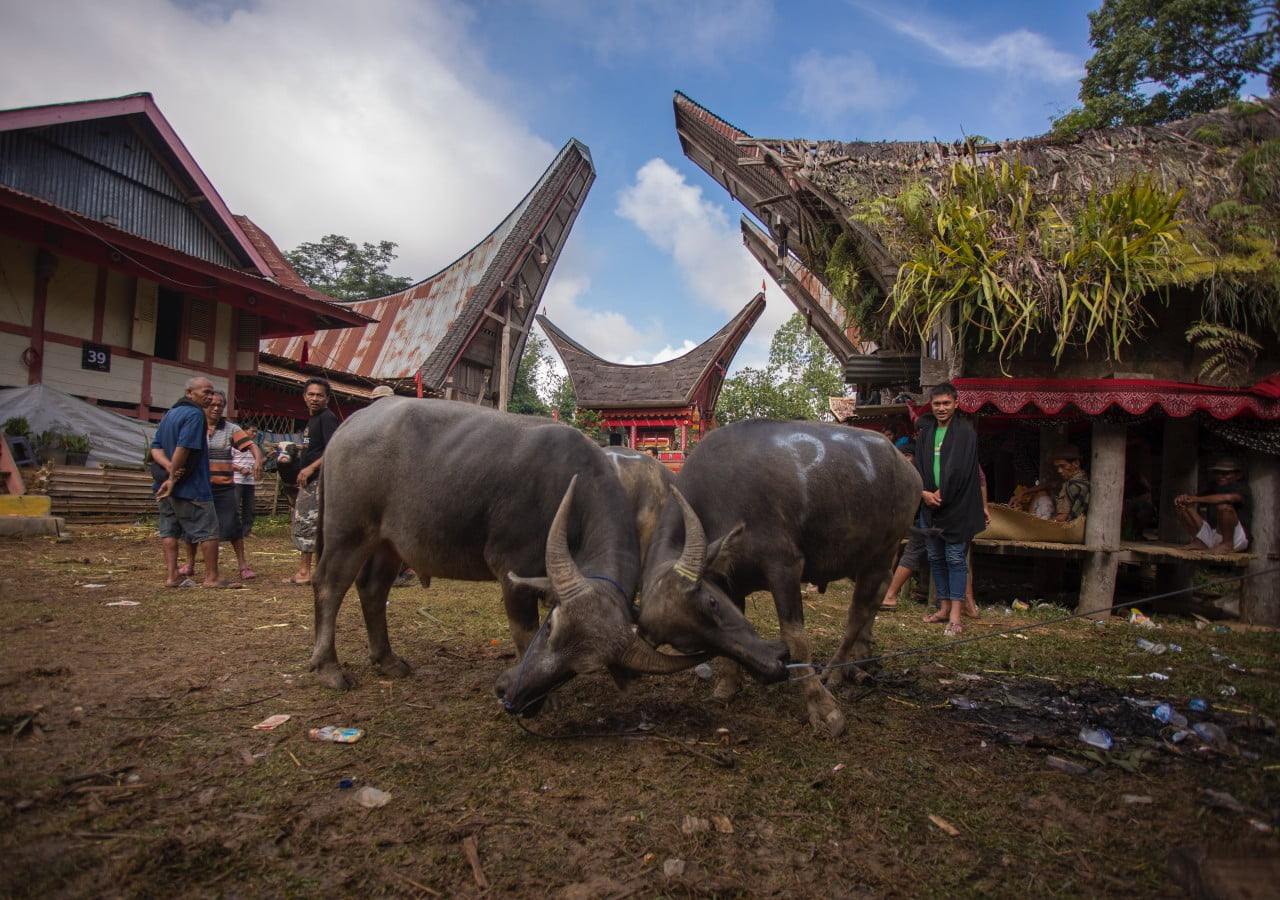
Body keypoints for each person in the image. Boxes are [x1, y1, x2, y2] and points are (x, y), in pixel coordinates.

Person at [913, 383, 985, 635]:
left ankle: (956, 614)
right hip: (929, 504)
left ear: (956, 403)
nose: (941, 408)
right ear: (930, 406)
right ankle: (943, 607)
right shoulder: (926, 432)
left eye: (946, 403)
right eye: (937, 404)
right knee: (935, 557)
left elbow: (962, 469)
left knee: (955, 558)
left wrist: (943, 493)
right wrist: (923, 493)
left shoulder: (965, 432)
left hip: (957, 505)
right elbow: (918, 466)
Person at [149, 376, 225, 588]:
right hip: (191, 486)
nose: (210, 397)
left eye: (212, 392)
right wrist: (173, 476)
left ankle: (172, 575)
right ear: (189, 393)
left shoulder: (170, 414)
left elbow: (155, 447)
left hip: (164, 485)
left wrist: (167, 468)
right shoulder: (195, 415)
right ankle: (212, 577)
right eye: (205, 392)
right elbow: (184, 447)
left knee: (169, 529)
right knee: (209, 531)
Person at [285, 377, 340, 585]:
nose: (315, 398)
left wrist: (310, 467)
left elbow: (333, 448)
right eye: (311, 394)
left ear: (327, 399)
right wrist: (301, 453)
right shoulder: (311, 420)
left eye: (320, 395)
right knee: (305, 521)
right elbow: (311, 445)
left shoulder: (327, 418)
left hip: (319, 480)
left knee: (308, 522)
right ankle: (308, 570)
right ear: (304, 397)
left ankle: (306, 572)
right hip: (308, 479)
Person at [1175, 457, 1251, 552]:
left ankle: (1227, 544)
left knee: (1224, 507)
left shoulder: (1242, 488)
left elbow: (1228, 498)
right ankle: (1199, 541)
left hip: (1236, 538)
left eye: (1225, 473)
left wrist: (1195, 499)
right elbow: (1192, 499)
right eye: (1217, 473)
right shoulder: (1213, 487)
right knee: (1182, 507)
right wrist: (1184, 499)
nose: (1220, 476)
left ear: (1238, 475)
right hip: (1214, 535)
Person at [881, 438, 924, 610]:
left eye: (908, 455)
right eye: (902, 456)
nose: (906, 460)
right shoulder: (896, 474)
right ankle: (885, 589)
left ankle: (889, 593)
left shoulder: (921, 472)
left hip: (921, 522)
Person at [1012, 445, 1090, 523]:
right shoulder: (1075, 479)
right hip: (1061, 521)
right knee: (1041, 493)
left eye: (1063, 466)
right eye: (1057, 467)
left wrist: (1042, 525)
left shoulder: (1074, 485)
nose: (1059, 471)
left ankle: (1029, 524)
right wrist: (1023, 493)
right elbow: (1049, 484)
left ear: (1076, 463)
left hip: (1065, 526)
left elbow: (1063, 517)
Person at [232, 424, 261, 539]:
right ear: (244, 431)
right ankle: (233, 530)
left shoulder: (255, 448)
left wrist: (268, 456)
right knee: (234, 506)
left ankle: (247, 531)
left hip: (250, 481)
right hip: (237, 480)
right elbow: (227, 462)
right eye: (252, 431)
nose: (254, 434)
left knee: (249, 507)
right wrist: (240, 468)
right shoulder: (234, 446)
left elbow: (259, 462)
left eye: (255, 432)